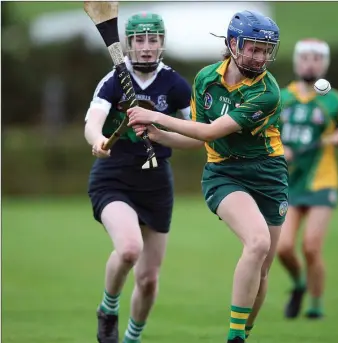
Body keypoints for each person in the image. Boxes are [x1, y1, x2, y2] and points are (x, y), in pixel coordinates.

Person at [127, 10, 287, 343]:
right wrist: (158, 135)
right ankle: (234, 337)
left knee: (263, 267)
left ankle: (245, 331)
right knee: (257, 242)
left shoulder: (267, 92)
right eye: (252, 48)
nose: (259, 56)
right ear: (233, 44)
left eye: (264, 50)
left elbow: (211, 130)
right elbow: (199, 137)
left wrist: (156, 117)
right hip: (224, 173)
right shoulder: (205, 79)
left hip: (269, 175)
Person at [84, 12, 191, 343]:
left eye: (153, 39)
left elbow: (198, 136)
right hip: (113, 176)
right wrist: (98, 140)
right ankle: (108, 308)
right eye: (140, 40)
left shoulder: (175, 85)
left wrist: (161, 134)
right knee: (130, 249)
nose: (146, 47)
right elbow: (93, 120)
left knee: (148, 280)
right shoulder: (114, 79)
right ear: (128, 44)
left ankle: (131, 338)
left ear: (162, 42)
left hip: (157, 183)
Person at [276, 38, 338, 320]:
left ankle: (316, 306)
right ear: (297, 62)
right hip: (287, 182)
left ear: (325, 63)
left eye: (317, 58)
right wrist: (279, 149)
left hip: (322, 181)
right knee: (283, 248)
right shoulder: (281, 97)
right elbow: (266, 133)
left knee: (311, 247)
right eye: (305, 57)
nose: (311, 63)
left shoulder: (336, 100)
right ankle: (299, 284)